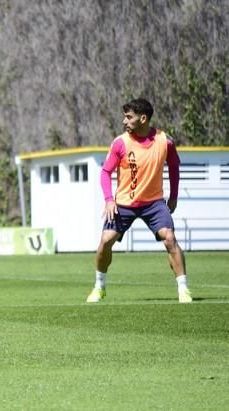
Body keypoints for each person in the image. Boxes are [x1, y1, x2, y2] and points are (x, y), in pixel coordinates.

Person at [86, 98, 192, 304]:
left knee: (169, 238)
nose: (124, 121)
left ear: (143, 119)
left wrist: (174, 197)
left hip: (154, 203)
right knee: (105, 241)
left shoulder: (165, 141)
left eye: (129, 117)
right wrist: (109, 200)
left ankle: (184, 290)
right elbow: (105, 172)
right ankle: (99, 286)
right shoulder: (120, 143)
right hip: (124, 204)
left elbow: (174, 167)